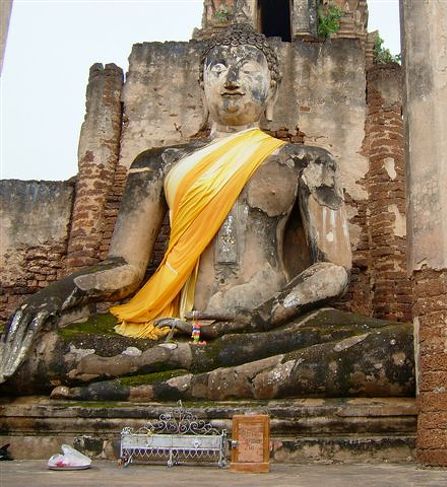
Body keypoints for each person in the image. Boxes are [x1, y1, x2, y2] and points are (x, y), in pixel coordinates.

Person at [0, 23, 353, 386]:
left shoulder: (306, 161)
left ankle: (186, 368)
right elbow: (126, 268)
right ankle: (199, 365)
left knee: (388, 351)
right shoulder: (158, 162)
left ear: (272, 86)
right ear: (201, 84)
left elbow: (334, 270)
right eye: (217, 70)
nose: (231, 79)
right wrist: (54, 296)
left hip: (270, 329)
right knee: (30, 355)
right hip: (172, 324)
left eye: (247, 70)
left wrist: (260, 317)